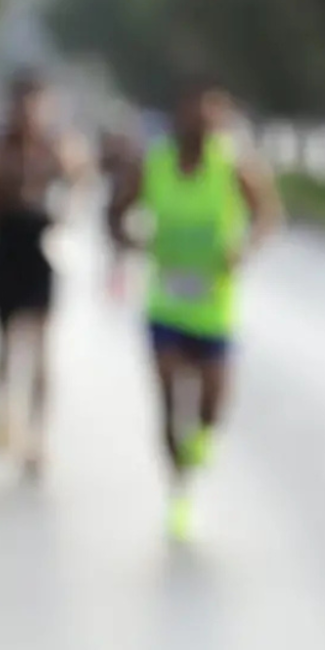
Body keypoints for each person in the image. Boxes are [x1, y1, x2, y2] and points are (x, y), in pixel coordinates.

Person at [106, 77, 283, 542]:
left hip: (214, 306)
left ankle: (201, 442)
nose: (204, 120)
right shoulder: (155, 163)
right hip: (165, 302)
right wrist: (129, 240)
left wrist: (245, 248)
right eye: (195, 110)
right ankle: (179, 491)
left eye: (214, 112)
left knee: (213, 403)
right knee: (168, 398)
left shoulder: (236, 166)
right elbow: (116, 211)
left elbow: (267, 215)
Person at [0, 70, 87, 476]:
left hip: (43, 252)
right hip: (5, 249)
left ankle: (36, 437)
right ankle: (3, 410)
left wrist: (66, 191)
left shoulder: (58, 148)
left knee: (41, 344)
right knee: (6, 340)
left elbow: (81, 186)